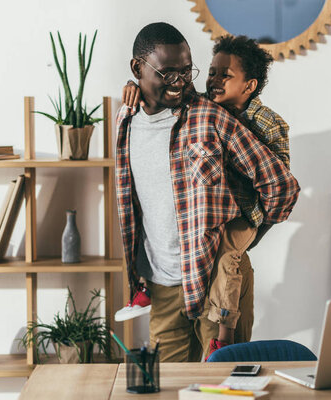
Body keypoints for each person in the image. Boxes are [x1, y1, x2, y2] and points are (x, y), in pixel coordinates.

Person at [115, 22, 300, 362]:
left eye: (186, 72)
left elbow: (281, 186)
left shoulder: (210, 117)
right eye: (168, 73)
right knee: (169, 387)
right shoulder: (124, 120)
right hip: (162, 282)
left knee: (223, 385)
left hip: (216, 276)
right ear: (137, 68)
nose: (180, 83)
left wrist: (246, 236)